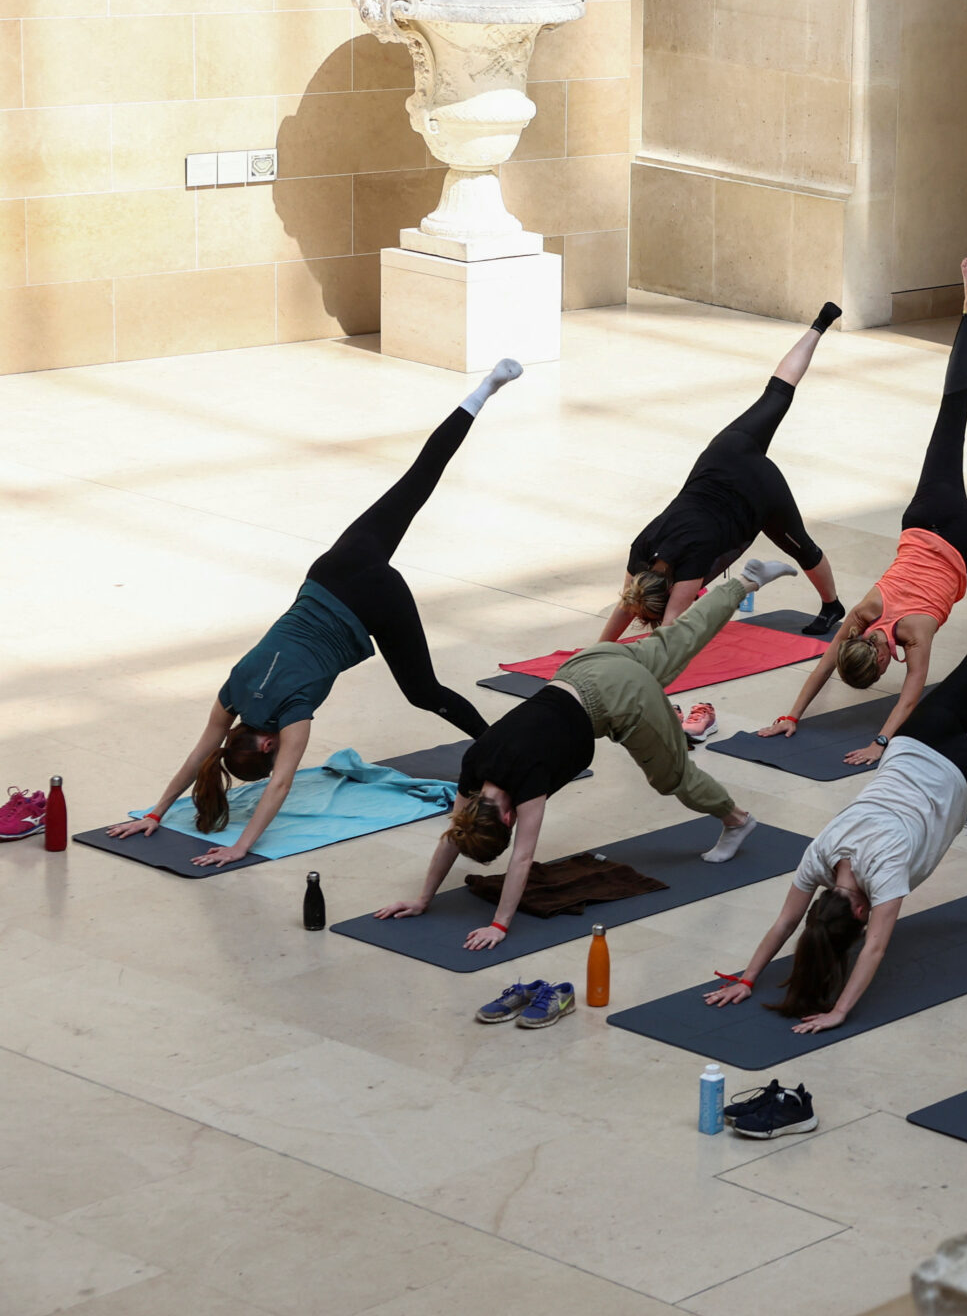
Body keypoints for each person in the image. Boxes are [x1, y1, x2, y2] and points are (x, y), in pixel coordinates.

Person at [106, 362, 523, 868]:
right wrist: (155, 812)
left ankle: (498, 750)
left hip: (371, 596)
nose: (281, 750)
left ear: (265, 743)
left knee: (424, 692)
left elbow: (281, 783)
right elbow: (200, 757)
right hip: (329, 571)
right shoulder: (233, 689)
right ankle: (485, 388)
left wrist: (241, 846)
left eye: (273, 749)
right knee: (417, 479)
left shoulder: (293, 714)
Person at [705, 539, 967, 1029]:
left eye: (858, 922)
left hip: (924, 746)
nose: (868, 922)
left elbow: (873, 944)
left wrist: (838, 1010)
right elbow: (787, 925)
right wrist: (746, 978)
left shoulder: (859, 870)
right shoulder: (824, 856)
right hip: (937, 761)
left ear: (857, 911)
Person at [373, 561, 793, 950]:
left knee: (673, 777)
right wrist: (422, 899)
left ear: (505, 818)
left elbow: (522, 856)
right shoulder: (474, 766)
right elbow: (454, 835)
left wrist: (500, 924)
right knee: (674, 644)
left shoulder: (527, 783)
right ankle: (746, 581)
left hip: (617, 699)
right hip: (586, 665)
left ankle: (737, 820)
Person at [762, 261, 967, 765]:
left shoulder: (914, 635)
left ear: (880, 656)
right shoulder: (860, 614)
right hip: (924, 513)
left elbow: (911, 695)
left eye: (880, 670)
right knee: (953, 408)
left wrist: (879, 743)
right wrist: (792, 714)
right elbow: (825, 665)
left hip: (961, 534)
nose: (888, 673)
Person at [607, 304, 845, 644]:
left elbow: (669, 632)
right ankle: (819, 324)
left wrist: (602, 652)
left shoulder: (688, 566)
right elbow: (626, 605)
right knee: (776, 394)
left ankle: (832, 605)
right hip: (725, 452)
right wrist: (598, 649)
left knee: (801, 547)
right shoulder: (641, 548)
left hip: (756, 490)